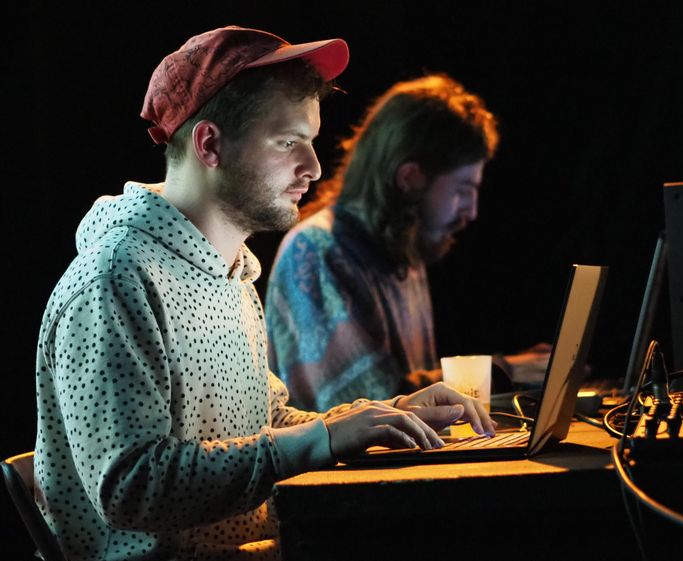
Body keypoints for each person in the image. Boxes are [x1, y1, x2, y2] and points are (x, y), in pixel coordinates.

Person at [33, 26, 494, 561]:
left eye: (311, 141)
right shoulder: (115, 279)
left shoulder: (232, 272)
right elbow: (130, 488)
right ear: (210, 145)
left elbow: (266, 424)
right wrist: (324, 440)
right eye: (288, 142)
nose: (313, 168)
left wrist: (383, 416)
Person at [265, 75, 551, 412]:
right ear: (410, 178)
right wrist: (504, 371)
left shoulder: (402, 250)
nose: (471, 211)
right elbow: (369, 407)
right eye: (462, 189)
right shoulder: (316, 251)